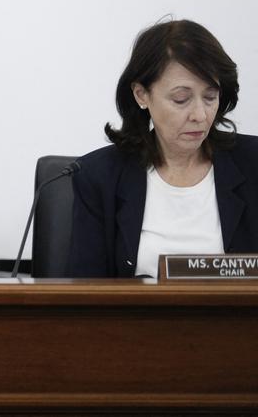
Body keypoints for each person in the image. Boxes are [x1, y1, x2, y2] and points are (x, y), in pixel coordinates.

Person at [68, 19, 258, 278]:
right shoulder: (99, 176)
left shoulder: (253, 163)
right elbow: (86, 291)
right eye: (181, 99)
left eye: (210, 97)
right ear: (141, 95)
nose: (200, 115)